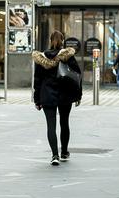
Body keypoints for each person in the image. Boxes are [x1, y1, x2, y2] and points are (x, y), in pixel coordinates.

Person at [33, 30, 82, 166]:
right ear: (63, 40)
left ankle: (55, 155)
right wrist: (78, 95)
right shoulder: (68, 56)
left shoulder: (41, 58)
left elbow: (37, 80)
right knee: (64, 123)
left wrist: (37, 99)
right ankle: (64, 151)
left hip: (47, 94)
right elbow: (77, 76)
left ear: (50, 41)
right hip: (65, 95)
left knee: (51, 125)